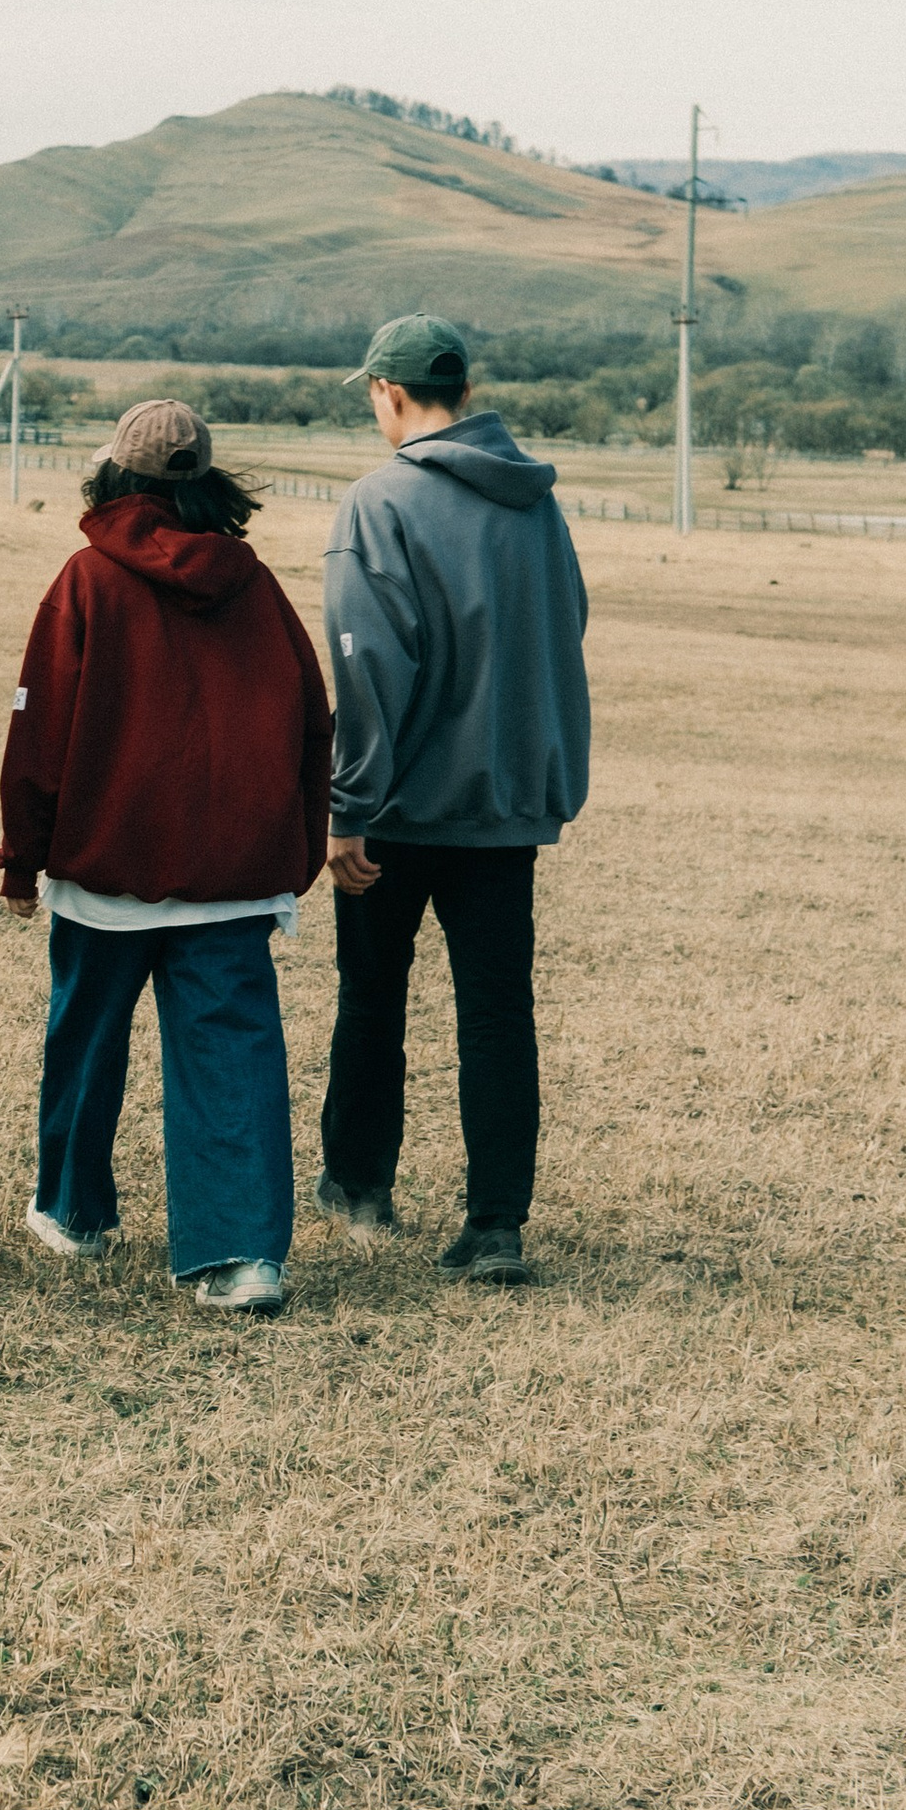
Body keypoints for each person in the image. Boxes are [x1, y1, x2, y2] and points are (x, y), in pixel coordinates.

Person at [0, 399, 332, 1315]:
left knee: (86, 1039)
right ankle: (242, 1254)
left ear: (117, 477)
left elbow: (40, 732)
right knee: (234, 1056)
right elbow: (313, 720)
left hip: (107, 868)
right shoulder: (256, 587)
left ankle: (72, 1209)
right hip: (232, 877)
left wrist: (22, 858)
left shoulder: (85, 582)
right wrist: (293, 852)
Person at [319, 313, 591, 1285]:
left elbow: (364, 667)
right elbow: (569, 626)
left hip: (394, 811)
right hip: (505, 808)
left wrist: (347, 807)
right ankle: (495, 1225)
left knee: (371, 998)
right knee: (494, 1012)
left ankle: (358, 1185)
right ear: (463, 395)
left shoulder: (375, 503)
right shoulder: (537, 506)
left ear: (387, 394)